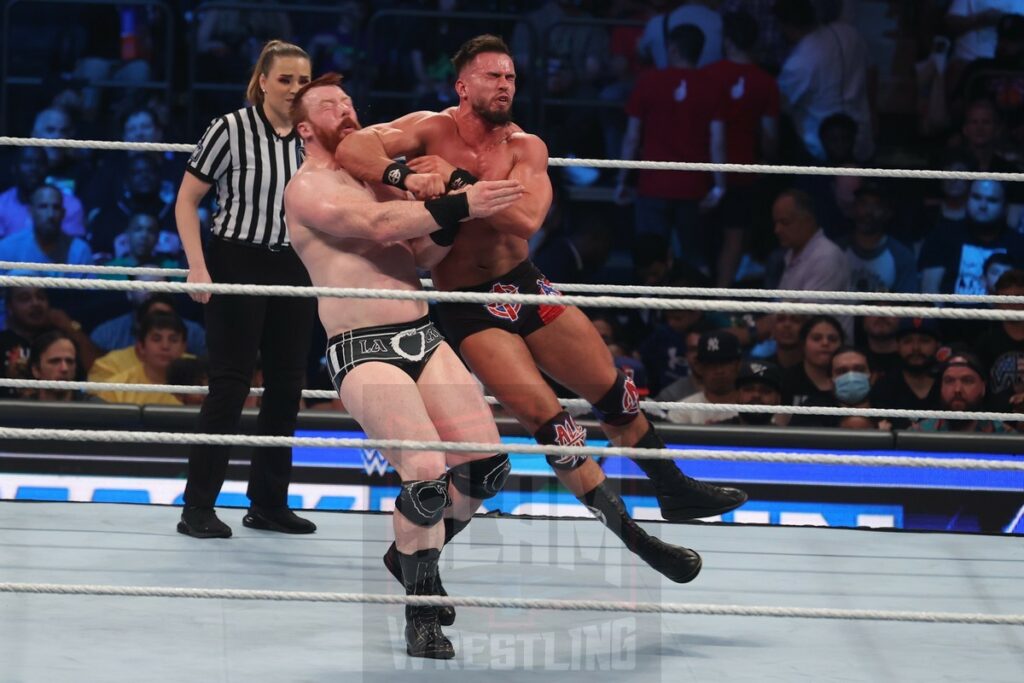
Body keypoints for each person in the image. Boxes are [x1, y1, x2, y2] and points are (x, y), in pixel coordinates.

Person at [338, 34, 743, 588]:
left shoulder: (526, 147)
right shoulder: (428, 128)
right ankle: (636, 537)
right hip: (470, 306)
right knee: (552, 422)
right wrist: (404, 176)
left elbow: (525, 220)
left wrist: (456, 183)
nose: (504, 86)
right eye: (491, 76)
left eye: (510, 77)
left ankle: (672, 487)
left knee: (615, 390)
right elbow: (353, 149)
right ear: (462, 85)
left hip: (525, 285)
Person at [283, 73, 523, 659]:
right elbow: (375, 227)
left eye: (348, 102)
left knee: (484, 469)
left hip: (420, 332)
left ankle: (410, 556)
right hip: (362, 345)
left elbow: (418, 250)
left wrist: (447, 214)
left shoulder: (378, 179)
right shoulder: (306, 188)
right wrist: (456, 201)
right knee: (423, 467)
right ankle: (421, 615)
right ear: (305, 128)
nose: (345, 111)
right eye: (329, 107)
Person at [175, 40, 317, 539]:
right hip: (237, 257)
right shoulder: (230, 129)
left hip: (296, 265)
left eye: (304, 80)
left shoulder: (313, 137)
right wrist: (198, 267)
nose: (296, 88)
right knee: (231, 384)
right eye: (286, 79)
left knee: (287, 383)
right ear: (262, 81)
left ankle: (268, 503)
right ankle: (197, 506)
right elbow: (187, 199)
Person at [92, 311, 187, 405]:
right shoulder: (116, 389)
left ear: (184, 347)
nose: (165, 346)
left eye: (173, 340)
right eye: (156, 339)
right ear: (141, 347)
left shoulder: (198, 384)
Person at [0, 186, 93, 276]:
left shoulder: (79, 251)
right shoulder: (7, 249)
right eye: (43, 207)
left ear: (63, 213)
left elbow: (87, 292)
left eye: (56, 207)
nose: (50, 214)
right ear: (30, 211)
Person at [0, 148, 85, 239]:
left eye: (39, 163)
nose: (33, 168)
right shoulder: (2, 204)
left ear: (48, 169)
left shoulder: (70, 205)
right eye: (27, 162)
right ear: (14, 168)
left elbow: (75, 249)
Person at [667, 330, 742, 425]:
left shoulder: (753, 410)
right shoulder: (682, 411)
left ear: (738, 365)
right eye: (711, 364)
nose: (719, 371)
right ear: (699, 368)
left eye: (724, 363)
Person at [711, 359, 784, 426]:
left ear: (778, 399)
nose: (756, 395)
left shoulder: (787, 438)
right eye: (749, 389)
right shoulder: (715, 434)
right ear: (736, 395)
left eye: (765, 391)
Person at [26, 330, 94, 402]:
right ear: (36, 370)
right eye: (55, 361)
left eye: (69, 361)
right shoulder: (20, 410)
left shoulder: (98, 409)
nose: (64, 368)